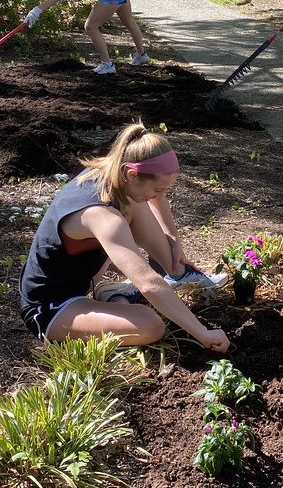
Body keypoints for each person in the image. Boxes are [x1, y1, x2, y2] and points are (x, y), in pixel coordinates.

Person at [19, 122, 230, 350]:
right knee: (151, 325)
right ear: (132, 174)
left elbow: (156, 197)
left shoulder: (113, 171)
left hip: (81, 278)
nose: (159, 195)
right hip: (51, 308)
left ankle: (174, 273)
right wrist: (202, 333)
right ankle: (115, 299)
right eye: (158, 189)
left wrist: (174, 242)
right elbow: (148, 284)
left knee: (135, 202)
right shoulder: (103, 218)